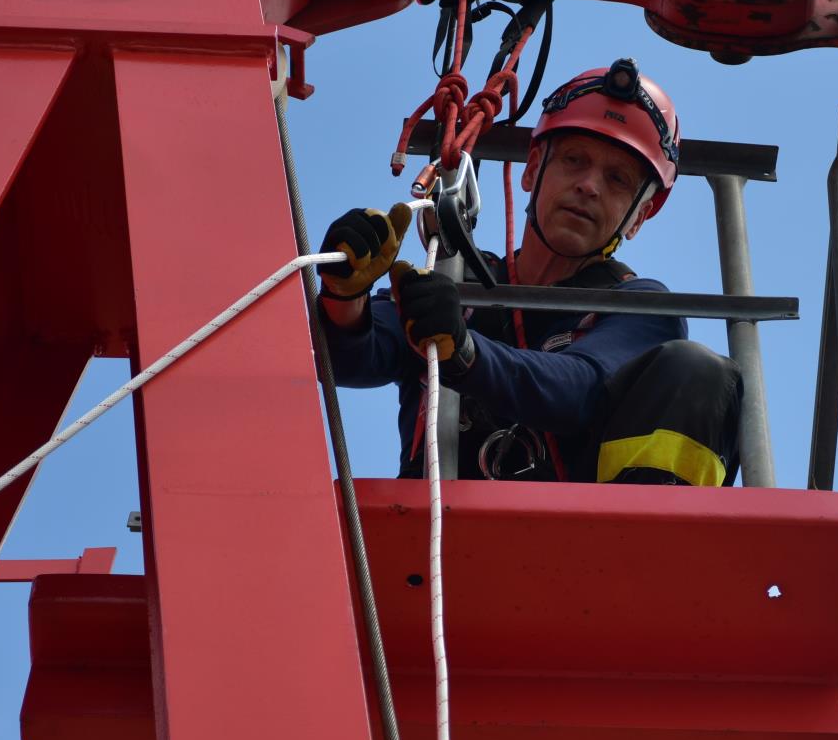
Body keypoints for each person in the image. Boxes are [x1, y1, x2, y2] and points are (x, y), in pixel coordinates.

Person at [316, 58, 742, 486]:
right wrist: (344, 295)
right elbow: (353, 356)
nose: (589, 186)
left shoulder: (641, 308)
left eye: (617, 179)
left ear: (638, 216)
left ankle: (652, 537)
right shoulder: (452, 284)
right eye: (574, 160)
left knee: (699, 373)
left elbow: (584, 387)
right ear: (533, 169)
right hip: (440, 537)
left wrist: (467, 354)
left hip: (587, 538)